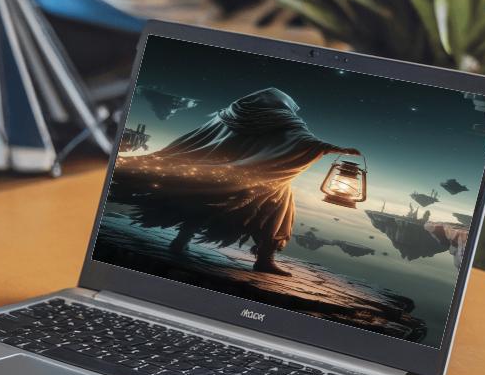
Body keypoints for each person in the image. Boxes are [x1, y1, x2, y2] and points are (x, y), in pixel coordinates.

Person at [110, 87, 360, 275]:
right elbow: (304, 140)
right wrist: (335, 148)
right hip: (260, 180)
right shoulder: (283, 117)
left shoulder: (233, 113)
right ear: (284, 104)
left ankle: (182, 241)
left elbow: (202, 139)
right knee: (275, 215)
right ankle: (264, 260)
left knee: (204, 202)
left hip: (226, 174)